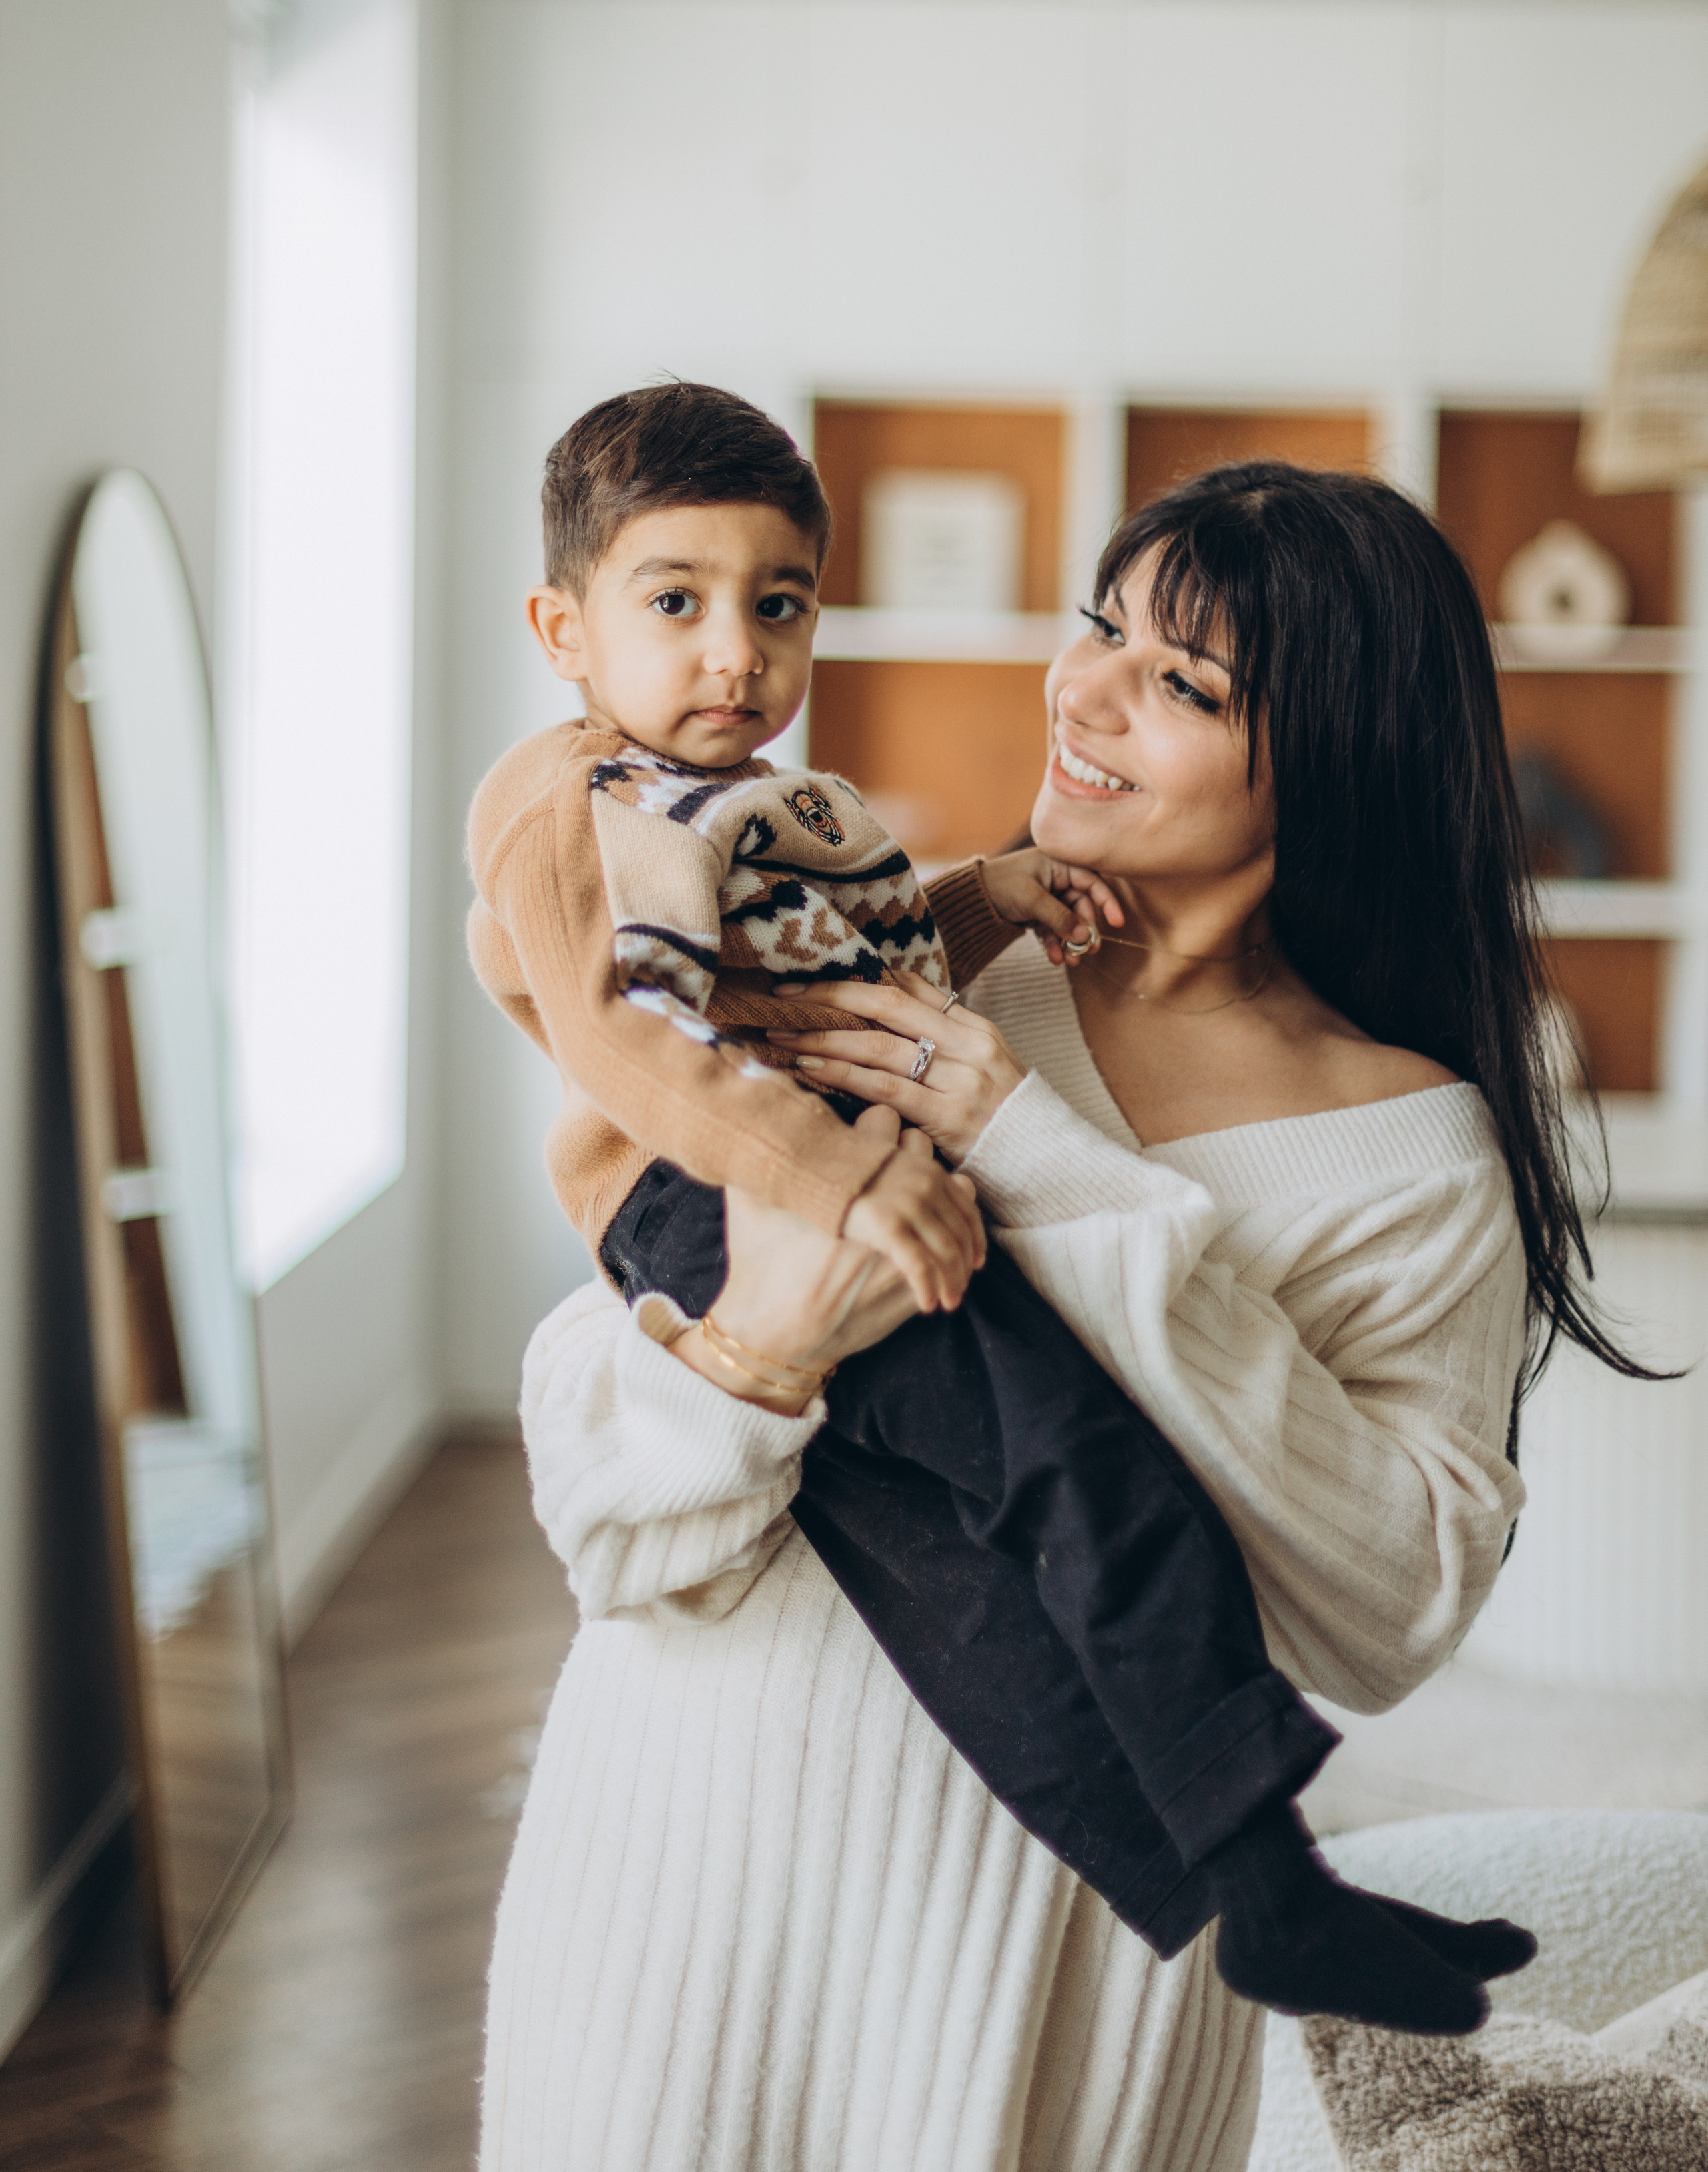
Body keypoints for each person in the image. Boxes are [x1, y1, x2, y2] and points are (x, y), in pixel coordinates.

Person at [478, 451, 1633, 2172]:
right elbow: (605, 1503)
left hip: (1070, 1994)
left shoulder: (1406, 1152)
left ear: (1323, 761)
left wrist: (1036, 1153)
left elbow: (1389, 1609)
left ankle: (1274, 1890)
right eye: (1100, 626)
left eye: (1180, 682)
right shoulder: (892, 976)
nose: (1084, 692)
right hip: (682, 1906)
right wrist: (756, 1357)